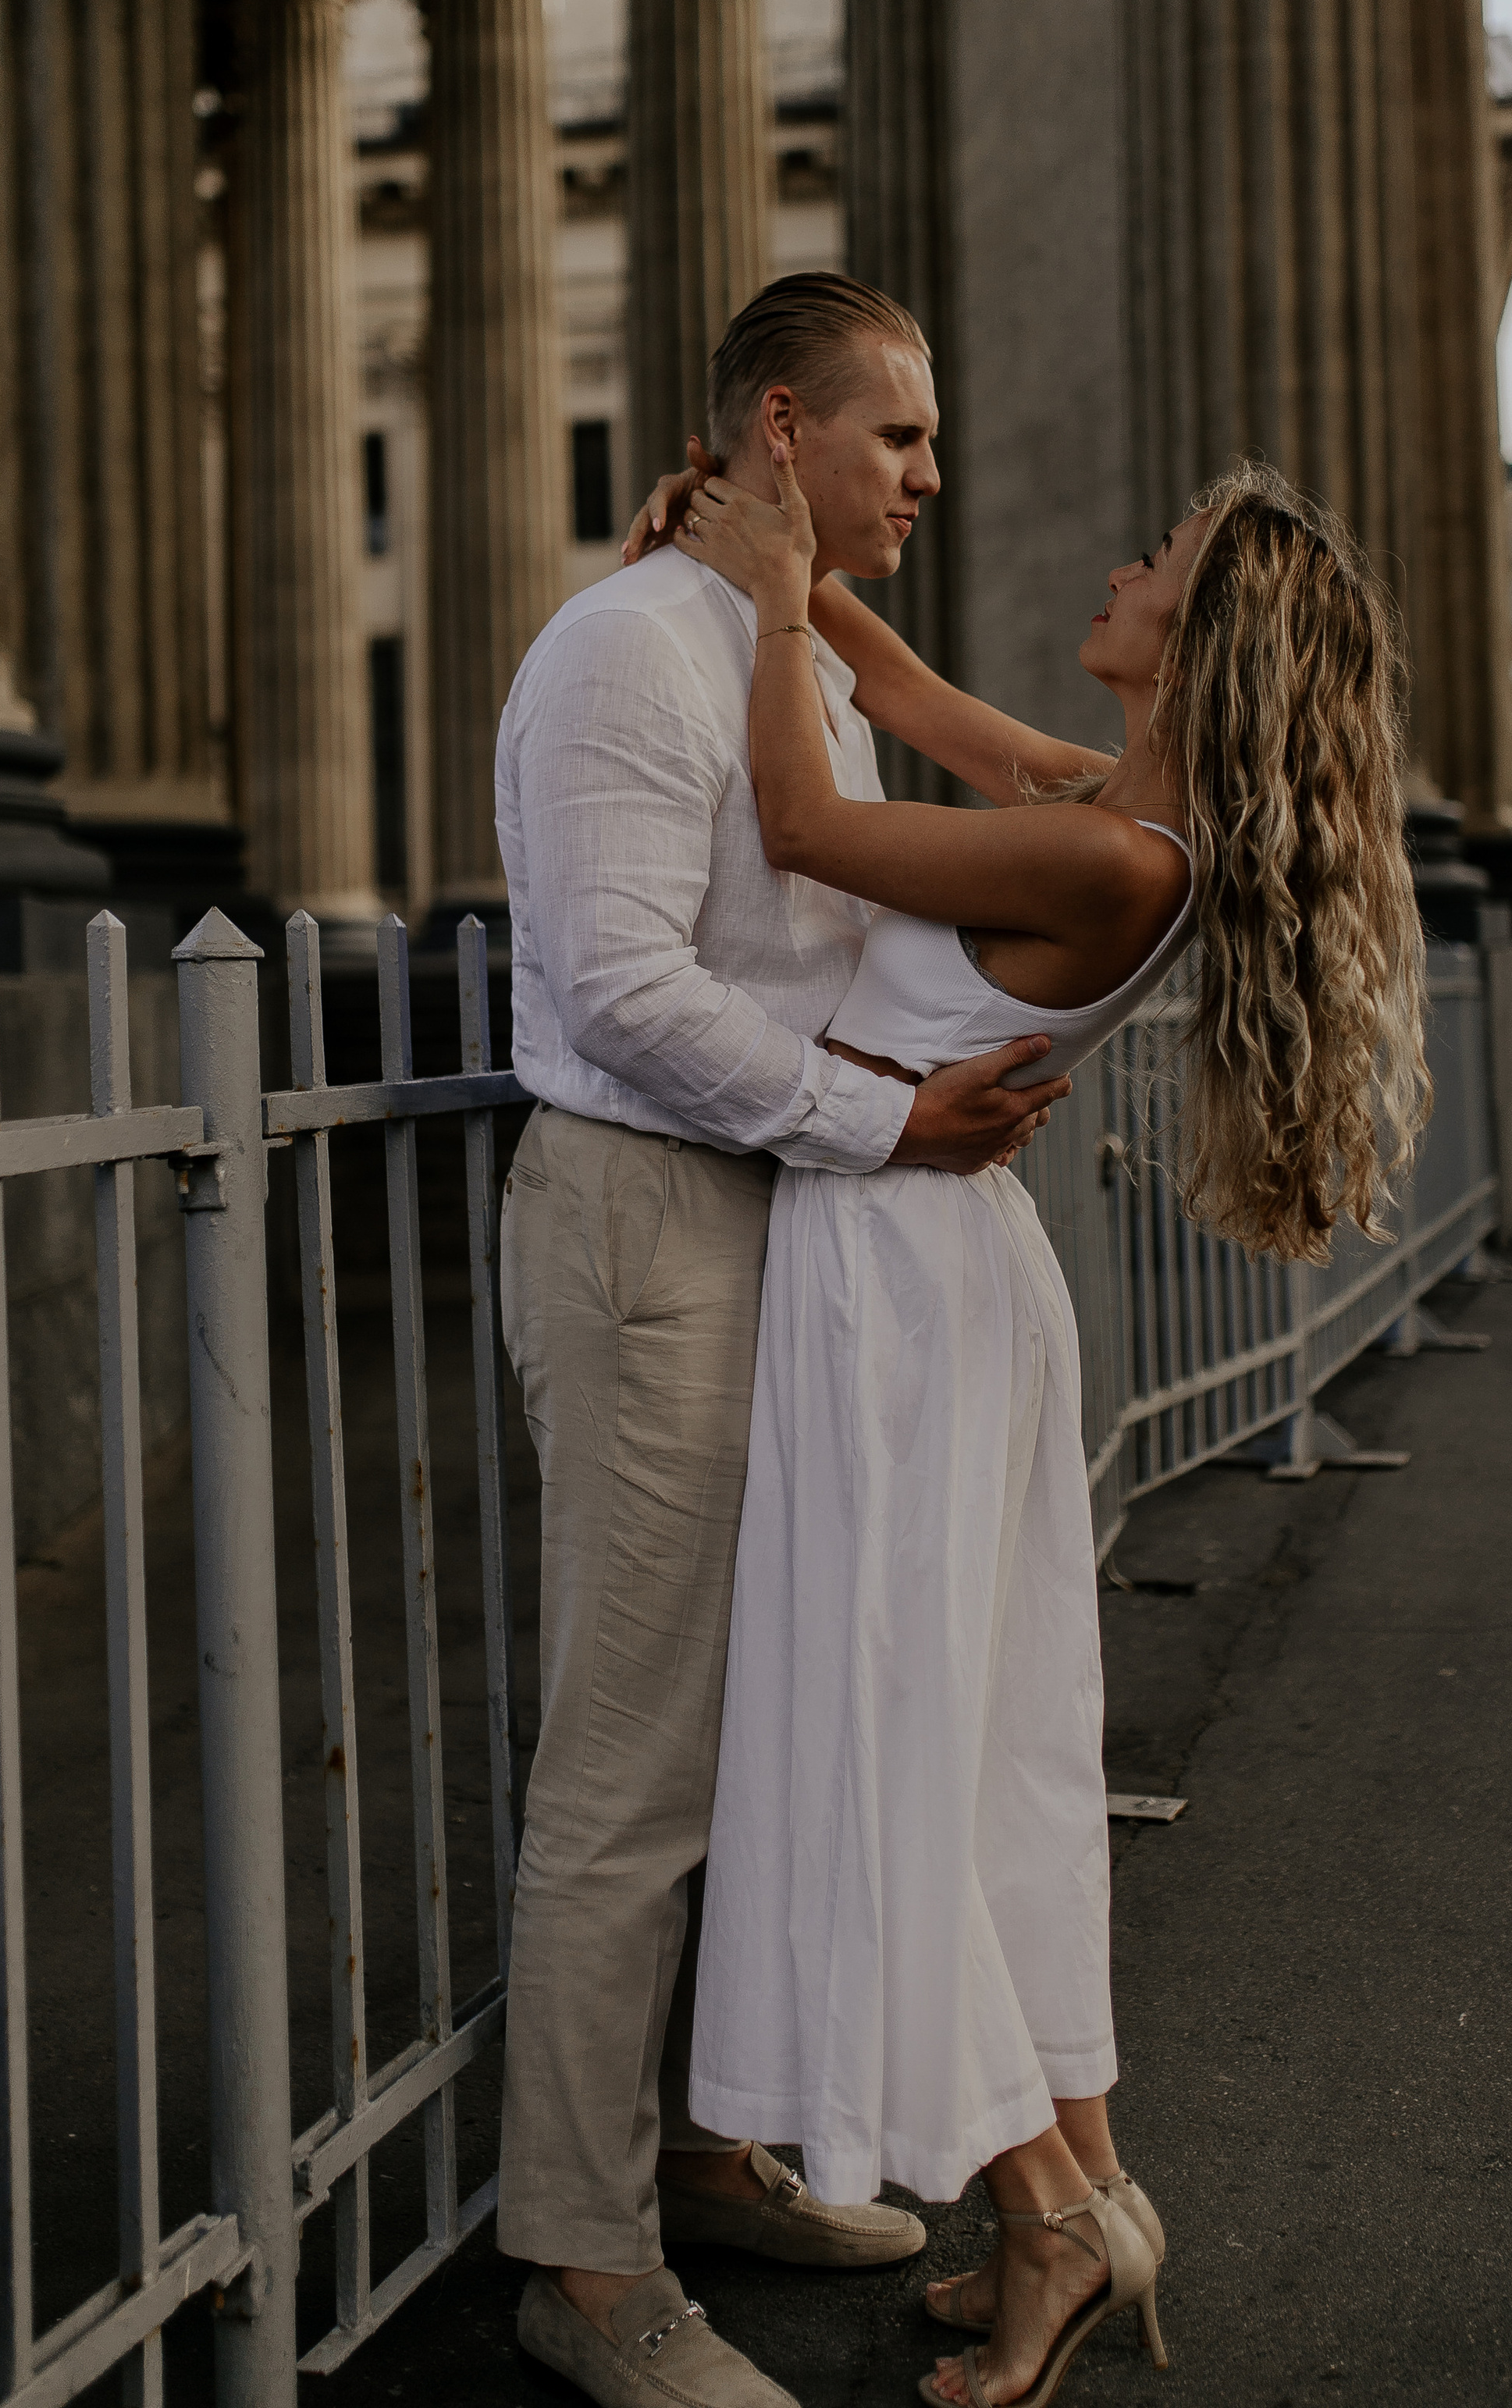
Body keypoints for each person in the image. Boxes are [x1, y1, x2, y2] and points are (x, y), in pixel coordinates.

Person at [654, 443, 1429, 2408]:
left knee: (901, 1743)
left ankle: (1046, 2219)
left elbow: (813, 818)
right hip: (937, 1268)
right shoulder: (1107, 808)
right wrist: (793, 558)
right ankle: (1079, 2189)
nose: (1115, 564)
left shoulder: (1104, 853)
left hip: (898, 1281)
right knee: (971, 1752)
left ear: (1197, 646)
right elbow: (906, 702)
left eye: (1153, 564)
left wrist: (753, 607)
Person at [493, 272, 1076, 2408]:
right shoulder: (626, 653)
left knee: (781, 1724)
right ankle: (579, 2261)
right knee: (637, 1763)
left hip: (796, 1212)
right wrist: (893, 1115)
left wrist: (930, 1081)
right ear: (771, 428)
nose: (931, 470)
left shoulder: (786, 651)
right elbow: (626, 988)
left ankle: (707, 2143)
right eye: (896, 434)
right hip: (657, 1219)